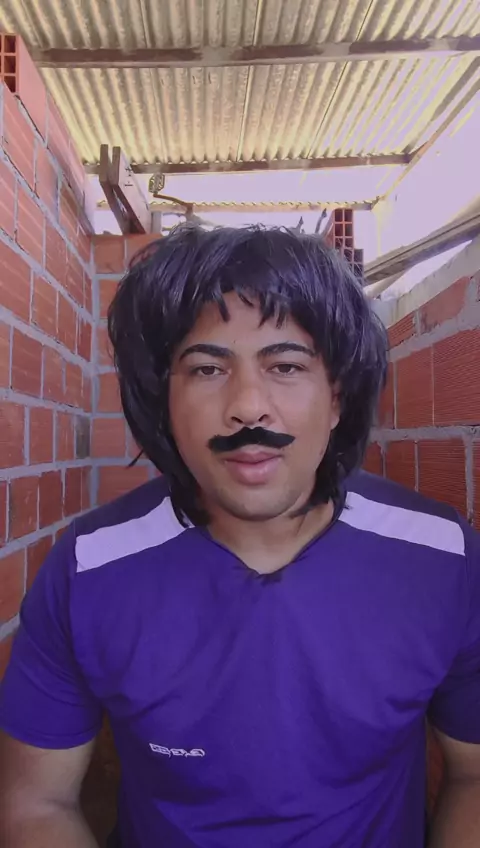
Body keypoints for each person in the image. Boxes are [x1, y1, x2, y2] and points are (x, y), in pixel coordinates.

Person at [0, 225, 479, 848]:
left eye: (286, 366)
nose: (248, 406)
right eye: (206, 368)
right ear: (165, 399)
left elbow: (473, 776)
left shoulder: (440, 557)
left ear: (336, 397)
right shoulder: (88, 567)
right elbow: (36, 802)